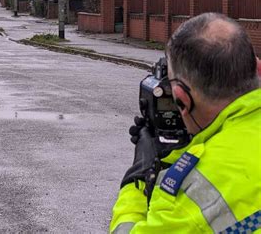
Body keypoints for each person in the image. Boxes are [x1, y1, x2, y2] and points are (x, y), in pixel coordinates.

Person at [110, 13, 261, 233]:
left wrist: (137, 180)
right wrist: (180, 152)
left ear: (182, 98)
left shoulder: (189, 197)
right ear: (256, 68)